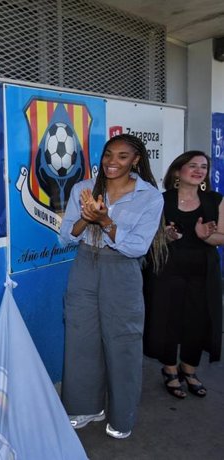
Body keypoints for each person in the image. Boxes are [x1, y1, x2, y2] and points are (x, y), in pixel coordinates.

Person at [59, 133, 166, 440]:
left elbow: (136, 248)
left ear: (136, 160)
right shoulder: (83, 188)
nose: (112, 162)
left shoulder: (149, 196)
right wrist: (86, 218)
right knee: (81, 338)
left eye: (122, 156)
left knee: (123, 342)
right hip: (84, 266)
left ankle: (123, 415)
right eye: (108, 155)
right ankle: (85, 407)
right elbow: (67, 236)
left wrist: (105, 221)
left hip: (122, 269)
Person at [143, 151, 223, 399]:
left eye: (204, 166)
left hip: (203, 272)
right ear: (178, 171)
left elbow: (222, 237)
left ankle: (189, 369)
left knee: (198, 321)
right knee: (167, 319)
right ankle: (169, 370)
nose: (199, 170)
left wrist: (205, 236)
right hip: (167, 270)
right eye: (193, 165)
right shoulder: (160, 200)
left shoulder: (215, 200)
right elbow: (147, 237)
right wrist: (164, 237)